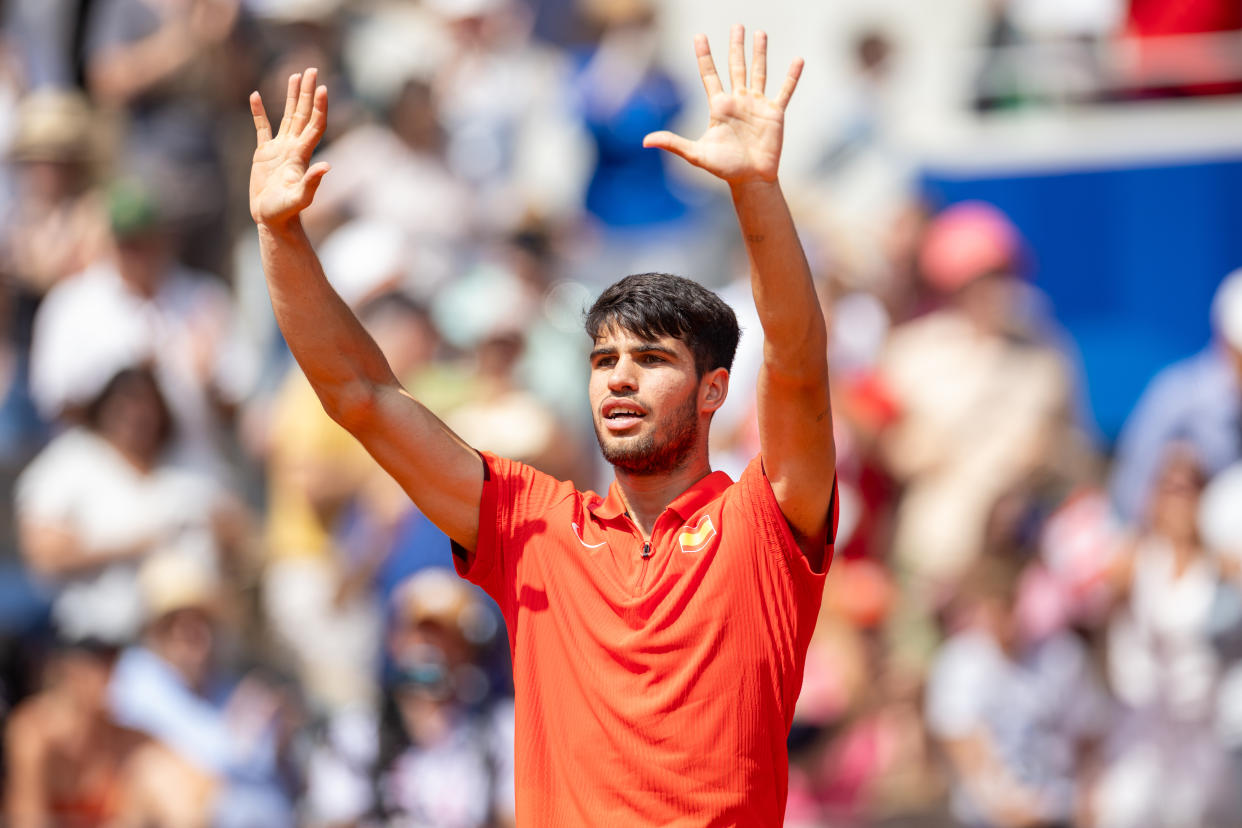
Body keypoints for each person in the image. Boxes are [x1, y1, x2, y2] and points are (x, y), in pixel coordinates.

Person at [249, 24, 836, 826]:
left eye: (652, 360)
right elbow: (362, 396)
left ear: (712, 393)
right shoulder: (534, 525)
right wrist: (280, 236)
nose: (619, 377)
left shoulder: (763, 529)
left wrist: (754, 192)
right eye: (602, 362)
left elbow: (798, 367)